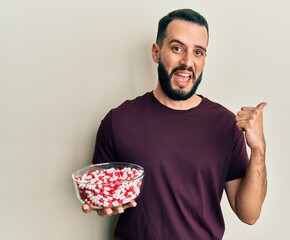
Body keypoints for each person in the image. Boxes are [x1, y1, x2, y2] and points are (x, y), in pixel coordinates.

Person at [82, 8, 267, 240]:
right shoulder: (118, 122)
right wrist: (102, 205)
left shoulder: (226, 125)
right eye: (177, 48)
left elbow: (249, 214)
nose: (187, 62)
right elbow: (103, 198)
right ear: (156, 52)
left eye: (198, 52)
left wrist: (259, 149)